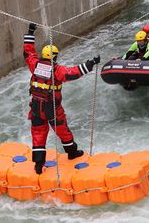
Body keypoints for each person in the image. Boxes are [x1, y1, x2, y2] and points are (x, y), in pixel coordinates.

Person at [24, 23, 100, 174]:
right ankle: (72, 152)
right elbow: (74, 72)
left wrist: (30, 32)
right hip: (51, 107)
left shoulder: (35, 65)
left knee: (38, 133)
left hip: (35, 107)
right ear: (55, 56)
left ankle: (39, 165)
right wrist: (91, 63)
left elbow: (28, 52)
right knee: (62, 129)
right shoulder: (57, 71)